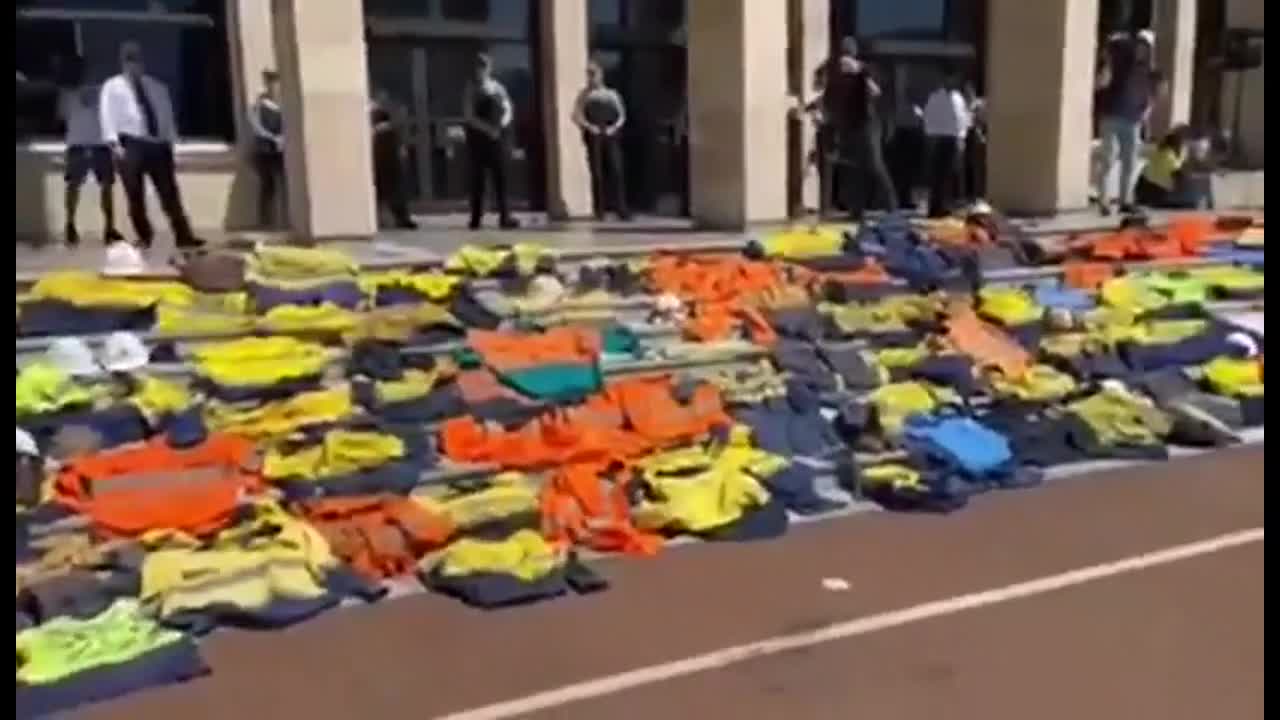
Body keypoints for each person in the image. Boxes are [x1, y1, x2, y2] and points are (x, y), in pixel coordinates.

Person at [99, 42, 202, 249]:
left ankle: (184, 235)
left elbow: (166, 115)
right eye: (129, 59)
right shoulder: (113, 86)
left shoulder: (156, 86)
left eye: (136, 59)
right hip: (130, 143)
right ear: (122, 62)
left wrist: (171, 141)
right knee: (135, 194)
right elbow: (106, 114)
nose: (133, 64)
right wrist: (113, 143)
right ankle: (144, 236)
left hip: (158, 145)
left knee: (169, 193)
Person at [1093, 30, 1166, 215]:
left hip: (1132, 119)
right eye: (1140, 45)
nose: (1142, 50)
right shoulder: (1122, 61)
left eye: (1146, 47)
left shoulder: (1147, 69)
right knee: (1109, 157)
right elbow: (1111, 51)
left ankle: (1125, 200)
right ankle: (1103, 201)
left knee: (1130, 161)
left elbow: (1154, 93)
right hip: (1112, 115)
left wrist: (1147, 110)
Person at [825, 41, 898, 221]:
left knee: (874, 164)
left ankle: (892, 207)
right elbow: (829, 99)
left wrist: (859, 71)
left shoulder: (865, 71)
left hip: (868, 124)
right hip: (848, 126)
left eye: (848, 54)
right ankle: (855, 209)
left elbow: (877, 91)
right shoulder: (836, 77)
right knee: (853, 168)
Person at [58, 55, 121, 246]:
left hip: (97, 143)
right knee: (75, 186)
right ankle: (71, 225)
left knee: (104, 186)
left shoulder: (102, 92)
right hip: (80, 143)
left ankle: (108, 228)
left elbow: (61, 116)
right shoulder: (68, 93)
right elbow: (62, 115)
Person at [462, 53, 519, 230]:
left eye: (484, 66)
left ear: (489, 68)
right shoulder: (471, 88)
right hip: (479, 139)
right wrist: (487, 129)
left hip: (498, 138)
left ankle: (505, 216)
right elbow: (468, 115)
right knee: (477, 179)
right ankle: (476, 218)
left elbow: (508, 107)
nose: (481, 70)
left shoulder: (497, 87)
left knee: (501, 178)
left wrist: (501, 125)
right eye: (479, 67)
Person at [572, 61, 630, 221]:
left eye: (594, 74)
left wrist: (614, 128)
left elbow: (622, 114)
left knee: (616, 170)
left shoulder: (611, 94)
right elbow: (576, 115)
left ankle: (621, 208)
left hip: (611, 134)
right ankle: (600, 210)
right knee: (597, 172)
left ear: (600, 75)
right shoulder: (584, 95)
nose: (591, 78)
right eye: (589, 74)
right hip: (593, 134)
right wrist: (589, 127)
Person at [922, 71, 971, 218]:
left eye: (953, 80)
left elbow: (962, 119)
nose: (951, 82)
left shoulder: (958, 98)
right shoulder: (935, 97)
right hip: (938, 138)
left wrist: (962, 138)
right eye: (949, 79)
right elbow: (928, 117)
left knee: (948, 174)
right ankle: (935, 207)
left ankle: (944, 206)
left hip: (952, 139)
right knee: (938, 174)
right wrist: (929, 135)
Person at [369, 91, 416, 230]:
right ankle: (397, 217)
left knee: (392, 185)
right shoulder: (374, 111)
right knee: (388, 186)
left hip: (386, 152)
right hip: (381, 151)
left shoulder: (385, 117)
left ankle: (399, 217)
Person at [1134, 124, 1211, 209]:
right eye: (1185, 144)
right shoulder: (1168, 156)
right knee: (1190, 203)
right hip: (1152, 191)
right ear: (1179, 144)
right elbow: (1179, 176)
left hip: (1143, 188)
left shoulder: (1164, 150)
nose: (1186, 146)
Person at [249, 69, 284, 229]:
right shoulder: (259, 104)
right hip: (264, 150)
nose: (274, 88)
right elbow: (256, 125)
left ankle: (284, 220)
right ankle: (266, 221)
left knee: (285, 185)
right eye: (271, 84)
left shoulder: (285, 103)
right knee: (267, 185)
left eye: (276, 84)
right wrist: (272, 137)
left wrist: (284, 138)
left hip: (282, 151)